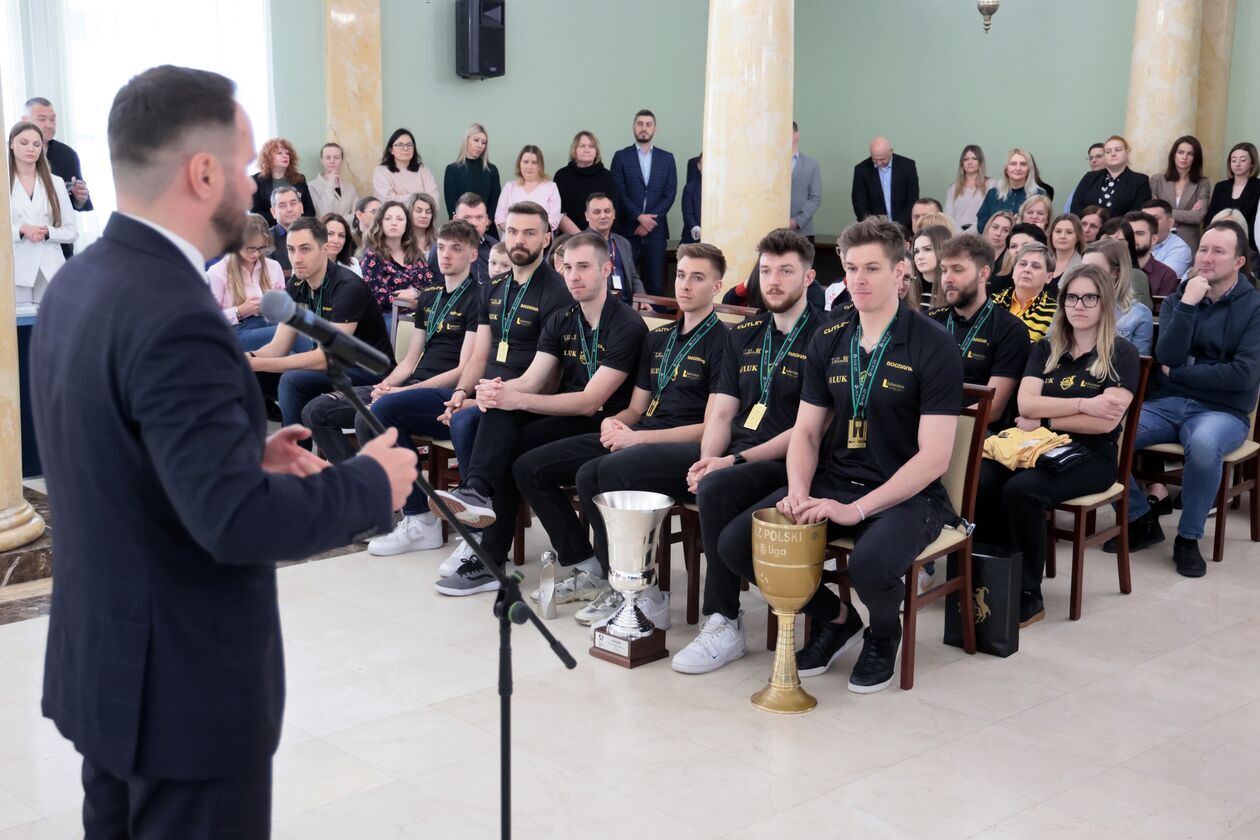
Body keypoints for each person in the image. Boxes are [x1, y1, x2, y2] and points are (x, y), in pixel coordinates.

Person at [30, 64, 416, 839]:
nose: (253, 185)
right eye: (242, 166)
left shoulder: (77, 284)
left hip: (107, 666)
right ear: (203, 173)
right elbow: (234, 521)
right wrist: (370, 484)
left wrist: (243, 453)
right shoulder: (178, 313)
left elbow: (119, 455)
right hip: (185, 694)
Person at [713, 218, 964, 693]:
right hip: (834, 482)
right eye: (851, 268)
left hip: (909, 495)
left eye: (872, 268)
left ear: (901, 272)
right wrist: (798, 492)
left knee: (870, 564)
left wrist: (857, 510)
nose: (859, 280)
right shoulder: (829, 338)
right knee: (737, 545)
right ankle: (837, 619)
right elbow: (807, 432)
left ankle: (883, 634)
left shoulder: (934, 344)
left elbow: (934, 457)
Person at [510, 241, 733, 624]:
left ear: (716, 287)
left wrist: (637, 438)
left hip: (686, 444)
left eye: (698, 278)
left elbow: (712, 425)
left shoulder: (725, 341)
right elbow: (636, 408)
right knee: (536, 468)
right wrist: (614, 423)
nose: (685, 285)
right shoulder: (658, 337)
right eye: (681, 275)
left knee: (608, 471)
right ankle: (599, 570)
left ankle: (640, 589)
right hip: (642, 435)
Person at [431, 230, 648, 595]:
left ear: (605, 268)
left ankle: (576, 562)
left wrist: (516, 399)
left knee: (525, 463)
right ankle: (478, 497)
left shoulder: (627, 325)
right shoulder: (562, 318)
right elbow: (531, 380)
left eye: (583, 267)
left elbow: (589, 401)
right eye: (568, 268)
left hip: (610, 425)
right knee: (501, 411)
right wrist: (496, 391)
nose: (573, 276)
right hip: (570, 419)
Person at [975, 263, 1140, 626]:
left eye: (1089, 298)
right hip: (1034, 445)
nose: (1079, 305)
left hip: (1091, 455)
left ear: (1104, 302)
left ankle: (1026, 593)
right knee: (981, 478)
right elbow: (1025, 404)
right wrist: (1083, 404)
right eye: (1071, 298)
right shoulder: (1046, 348)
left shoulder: (1121, 354)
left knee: (1022, 491)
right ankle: (985, 580)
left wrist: (1048, 419)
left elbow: (1105, 422)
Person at [424, 201, 573, 574]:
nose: (519, 240)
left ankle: (479, 517)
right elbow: (479, 356)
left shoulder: (556, 292)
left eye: (529, 233)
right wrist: (462, 393)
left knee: (479, 421)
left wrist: (495, 395)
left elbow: (550, 376)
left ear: (547, 238)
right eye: (513, 231)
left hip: (535, 398)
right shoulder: (493, 287)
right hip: (493, 393)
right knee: (466, 417)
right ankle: (476, 512)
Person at [1113, 221, 1260, 577]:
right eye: (1203, 249)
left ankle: (1188, 538)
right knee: (1107, 431)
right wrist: (1189, 305)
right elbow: (1167, 355)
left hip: (1224, 411)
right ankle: (1140, 518)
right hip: (1169, 404)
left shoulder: (1254, 307)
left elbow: (1243, 375)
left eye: (1218, 251)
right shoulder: (1181, 297)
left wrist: (1179, 375)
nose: (1206, 258)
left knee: (1205, 446)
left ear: (1239, 262)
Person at [304, 220, 482, 471]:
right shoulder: (430, 294)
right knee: (315, 411)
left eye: (456, 249)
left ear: (473, 255)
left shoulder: (479, 298)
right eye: (441, 247)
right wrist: (386, 386)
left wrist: (400, 392)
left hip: (444, 395)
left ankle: (406, 491)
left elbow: (463, 370)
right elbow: (410, 361)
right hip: (409, 385)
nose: (446, 255)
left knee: (368, 418)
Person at [248, 216, 396, 427]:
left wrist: (261, 363)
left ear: (324, 249)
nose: (296, 258)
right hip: (333, 368)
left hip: (368, 372)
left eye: (305, 249)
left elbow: (327, 357)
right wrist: (250, 358)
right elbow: (278, 346)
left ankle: (295, 447)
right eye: (291, 249)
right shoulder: (297, 283)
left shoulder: (347, 287)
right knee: (253, 374)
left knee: (291, 379)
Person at [928, 233, 1030, 429]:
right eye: (944, 270)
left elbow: (993, 408)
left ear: (983, 273)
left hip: (975, 433)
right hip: (922, 423)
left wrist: (936, 427)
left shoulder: (1010, 329)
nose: (947, 278)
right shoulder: (928, 321)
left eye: (957, 269)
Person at [611, 109, 678, 296]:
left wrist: (649, 221)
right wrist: (639, 217)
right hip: (627, 230)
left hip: (656, 231)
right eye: (640, 124)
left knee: (655, 286)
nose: (644, 128)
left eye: (648, 124)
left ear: (655, 129)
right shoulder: (621, 156)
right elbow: (619, 192)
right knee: (625, 284)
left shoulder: (667, 158)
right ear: (634, 127)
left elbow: (670, 193)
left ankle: (654, 316)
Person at [9, 120, 76, 304]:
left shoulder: (56, 183)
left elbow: (71, 231)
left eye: (36, 144)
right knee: (16, 321)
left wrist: (47, 232)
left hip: (50, 268)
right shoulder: (3, 182)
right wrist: (21, 229)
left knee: (52, 319)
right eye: (24, 143)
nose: (31, 148)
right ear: (12, 144)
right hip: (15, 269)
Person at [22, 97, 90, 258]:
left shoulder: (67, 155)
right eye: (42, 119)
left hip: (60, 247)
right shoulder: (7, 156)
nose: (49, 125)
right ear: (24, 120)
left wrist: (80, 198)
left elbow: (77, 204)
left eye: (53, 119)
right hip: (21, 247)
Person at [207, 213, 285, 350]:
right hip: (237, 332)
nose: (256, 254)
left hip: (270, 324)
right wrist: (240, 311)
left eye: (261, 248)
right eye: (251, 248)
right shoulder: (218, 272)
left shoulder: (273, 267)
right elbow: (209, 320)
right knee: (290, 334)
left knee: (290, 348)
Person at [358, 199, 432, 325]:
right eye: (388, 218)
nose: (394, 223)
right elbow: (379, 298)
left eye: (400, 219)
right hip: (387, 319)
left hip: (419, 317)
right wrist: (415, 299)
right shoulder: (372, 256)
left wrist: (415, 293)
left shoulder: (416, 254)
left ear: (407, 224)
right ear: (380, 223)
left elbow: (431, 290)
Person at [1081, 238, 1152, 354]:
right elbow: (1053, 346)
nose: (1085, 275)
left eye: (1095, 269)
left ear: (1117, 273)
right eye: (1082, 268)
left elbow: (1136, 361)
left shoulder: (1139, 314)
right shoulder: (1070, 303)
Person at [1149, 135, 1211, 254]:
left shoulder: (1203, 183)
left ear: (1196, 158)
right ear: (1173, 155)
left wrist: (1165, 213)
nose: (1184, 157)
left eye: (1190, 154)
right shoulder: (1157, 180)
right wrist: (1188, 213)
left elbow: (1198, 217)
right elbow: (1151, 213)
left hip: (1189, 242)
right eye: (1181, 152)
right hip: (1159, 240)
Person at [426, 192, 500, 285]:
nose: (474, 223)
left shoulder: (495, 246)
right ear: (455, 219)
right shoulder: (441, 249)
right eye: (467, 218)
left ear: (486, 219)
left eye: (479, 217)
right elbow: (438, 287)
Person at [584, 191, 643, 305]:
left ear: (614, 214)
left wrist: (643, 300)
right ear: (587, 216)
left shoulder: (623, 243)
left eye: (607, 211)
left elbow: (633, 277)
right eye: (597, 212)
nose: (603, 216)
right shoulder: (580, 244)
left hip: (627, 306)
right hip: (598, 306)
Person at [1070, 135, 1151, 217]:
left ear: (1127, 152)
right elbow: (1075, 206)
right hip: (1086, 224)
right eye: (1108, 151)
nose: (1113, 154)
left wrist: (1112, 225)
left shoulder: (1140, 181)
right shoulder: (1089, 177)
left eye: (1118, 150)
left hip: (1122, 225)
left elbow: (1138, 213)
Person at [554, 130, 618, 235]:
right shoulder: (562, 176)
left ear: (596, 151)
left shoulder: (608, 177)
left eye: (591, 146)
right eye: (582, 146)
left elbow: (612, 212)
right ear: (574, 150)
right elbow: (559, 213)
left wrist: (598, 239)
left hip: (601, 238)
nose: (587, 149)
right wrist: (582, 238)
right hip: (570, 238)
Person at [1206, 142, 1260, 260]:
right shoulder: (1221, 187)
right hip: (1219, 242)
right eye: (1233, 160)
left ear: (1252, 163)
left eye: (1243, 160)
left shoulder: (1258, 187)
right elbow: (1211, 217)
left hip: (1248, 246)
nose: (1237, 164)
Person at [851, 136, 919, 229]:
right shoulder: (861, 170)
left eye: (882, 159)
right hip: (874, 229)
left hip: (904, 227)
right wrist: (874, 227)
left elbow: (912, 200)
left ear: (891, 151)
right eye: (875, 159)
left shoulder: (908, 166)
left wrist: (897, 227)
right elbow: (860, 205)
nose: (879, 163)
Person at [993, 242, 1057, 341]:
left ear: (1049, 277)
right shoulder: (990, 302)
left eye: (1036, 266)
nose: (1027, 269)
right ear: (1013, 271)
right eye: (1022, 264)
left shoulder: (1055, 313)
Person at [495, 144, 562, 234]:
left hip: (541, 240)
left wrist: (532, 233)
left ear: (540, 165)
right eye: (525, 162)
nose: (529, 167)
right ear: (519, 164)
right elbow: (499, 217)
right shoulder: (509, 187)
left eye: (534, 162)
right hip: (512, 239)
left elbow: (554, 220)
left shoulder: (551, 187)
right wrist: (516, 232)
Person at [250, 137, 316, 225]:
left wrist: (294, 222)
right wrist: (283, 220)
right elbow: (255, 212)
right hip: (271, 229)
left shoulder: (300, 179)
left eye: (287, 153)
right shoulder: (257, 180)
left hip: (298, 228)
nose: (285, 156)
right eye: (279, 153)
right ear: (268, 157)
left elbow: (310, 210)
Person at [976, 148, 1044, 234]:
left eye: (1023, 164)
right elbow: (981, 225)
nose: (1018, 168)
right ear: (1006, 169)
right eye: (1013, 164)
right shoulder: (993, 194)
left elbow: (1042, 225)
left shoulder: (1039, 195)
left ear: (1029, 169)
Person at [373, 128, 440, 213]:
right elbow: (387, 201)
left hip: (422, 218)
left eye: (409, 145)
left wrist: (400, 197)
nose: (405, 148)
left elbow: (434, 202)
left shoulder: (424, 171)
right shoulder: (381, 172)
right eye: (400, 145)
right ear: (391, 150)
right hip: (395, 219)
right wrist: (419, 199)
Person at [443, 123, 501, 221]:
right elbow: (451, 203)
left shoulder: (492, 170)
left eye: (483, 142)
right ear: (467, 140)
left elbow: (495, 200)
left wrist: (487, 221)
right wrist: (461, 223)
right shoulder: (452, 169)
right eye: (476, 140)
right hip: (461, 225)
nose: (480, 145)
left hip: (486, 225)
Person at [1097, 219, 1155, 310]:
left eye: (1120, 242)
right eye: (1107, 240)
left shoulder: (1136, 276)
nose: (1112, 246)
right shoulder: (1085, 271)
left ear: (1129, 247)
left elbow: (1138, 314)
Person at [1124, 210, 1179, 298]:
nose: (1132, 238)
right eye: (1128, 233)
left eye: (1139, 234)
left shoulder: (1166, 276)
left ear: (1153, 239)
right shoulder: (1112, 269)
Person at [944, 144, 996, 231]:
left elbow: (990, 214)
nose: (970, 162)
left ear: (980, 162)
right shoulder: (953, 188)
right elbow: (948, 215)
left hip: (981, 233)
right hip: (957, 234)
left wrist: (972, 231)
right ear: (962, 163)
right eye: (966, 159)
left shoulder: (991, 184)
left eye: (974, 159)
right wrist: (959, 233)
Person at [1144, 198, 1193, 278]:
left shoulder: (1180, 249)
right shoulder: (1133, 242)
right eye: (1144, 219)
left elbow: (1160, 280)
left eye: (1154, 219)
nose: (1148, 224)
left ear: (1170, 223)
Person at [790, 121, 823, 241]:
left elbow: (815, 198)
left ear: (797, 135)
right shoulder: (770, 164)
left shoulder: (811, 164)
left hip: (802, 231)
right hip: (773, 231)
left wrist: (797, 221)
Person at [309, 141, 360, 217]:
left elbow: (357, 215)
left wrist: (340, 221)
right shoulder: (312, 187)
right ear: (321, 160)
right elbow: (323, 215)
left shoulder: (350, 188)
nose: (332, 161)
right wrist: (329, 184)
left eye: (336, 158)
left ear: (342, 160)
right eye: (327, 157)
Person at [1060, 142, 1105, 219]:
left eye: (1098, 156)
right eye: (1091, 158)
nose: (1093, 160)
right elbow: (1073, 207)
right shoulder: (1086, 179)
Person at [911, 223, 951, 308]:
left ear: (942, 250)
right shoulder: (907, 290)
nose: (920, 256)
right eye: (916, 251)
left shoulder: (953, 291)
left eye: (927, 249)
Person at [268, 184, 305, 274]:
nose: (289, 209)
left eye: (293, 203)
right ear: (273, 212)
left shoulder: (314, 233)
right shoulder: (266, 239)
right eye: (282, 205)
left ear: (301, 207)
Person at [1049, 213, 1085, 289]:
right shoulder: (1043, 261)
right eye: (1058, 231)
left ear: (1078, 237)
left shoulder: (1082, 267)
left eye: (1069, 232)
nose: (1062, 236)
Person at [321, 212, 362, 276]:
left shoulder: (353, 265)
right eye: (330, 234)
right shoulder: (307, 265)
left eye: (341, 235)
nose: (336, 241)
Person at [681, 155, 702, 243]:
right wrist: (696, 228)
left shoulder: (723, 190)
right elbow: (688, 214)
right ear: (699, 166)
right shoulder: (690, 188)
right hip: (694, 239)